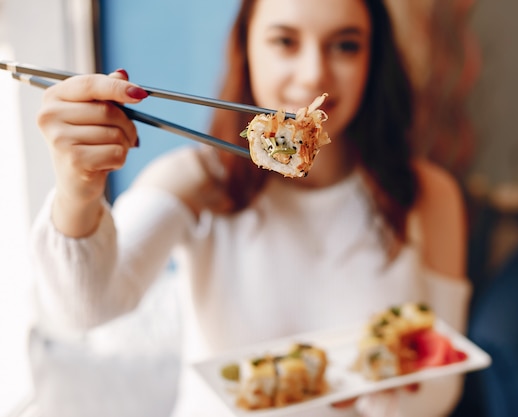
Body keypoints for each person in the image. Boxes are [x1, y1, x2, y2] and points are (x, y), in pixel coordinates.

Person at [31, 0, 471, 415]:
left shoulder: (428, 195)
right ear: (246, 47)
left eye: (345, 45)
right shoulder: (196, 180)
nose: (314, 74)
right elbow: (84, 311)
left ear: (373, 61)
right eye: (285, 41)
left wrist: (385, 397)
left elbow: (444, 384)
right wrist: (78, 191)